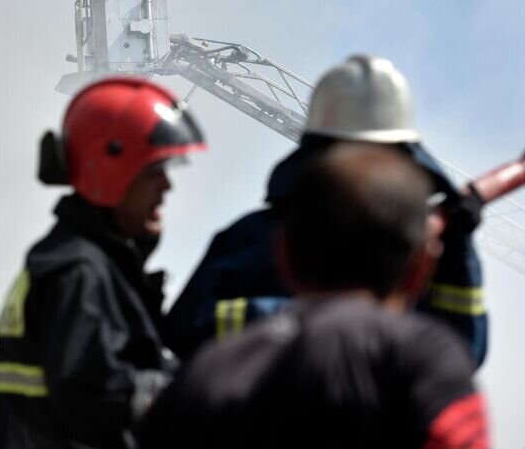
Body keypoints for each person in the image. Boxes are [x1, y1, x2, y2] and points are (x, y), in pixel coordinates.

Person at [132, 144, 494, 449]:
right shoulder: (418, 356)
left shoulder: (203, 375)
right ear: (418, 270)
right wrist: (456, 252)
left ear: (283, 253)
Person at [163, 55, 488, 366]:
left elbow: (461, 353)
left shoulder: (421, 247)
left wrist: (458, 251)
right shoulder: (257, 235)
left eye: (379, 159)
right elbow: (186, 330)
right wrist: (300, 323)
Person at [0, 77, 206, 449]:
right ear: (111, 168)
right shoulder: (79, 272)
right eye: (154, 170)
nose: (167, 186)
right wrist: (202, 388)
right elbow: (92, 390)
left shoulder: (82, 262)